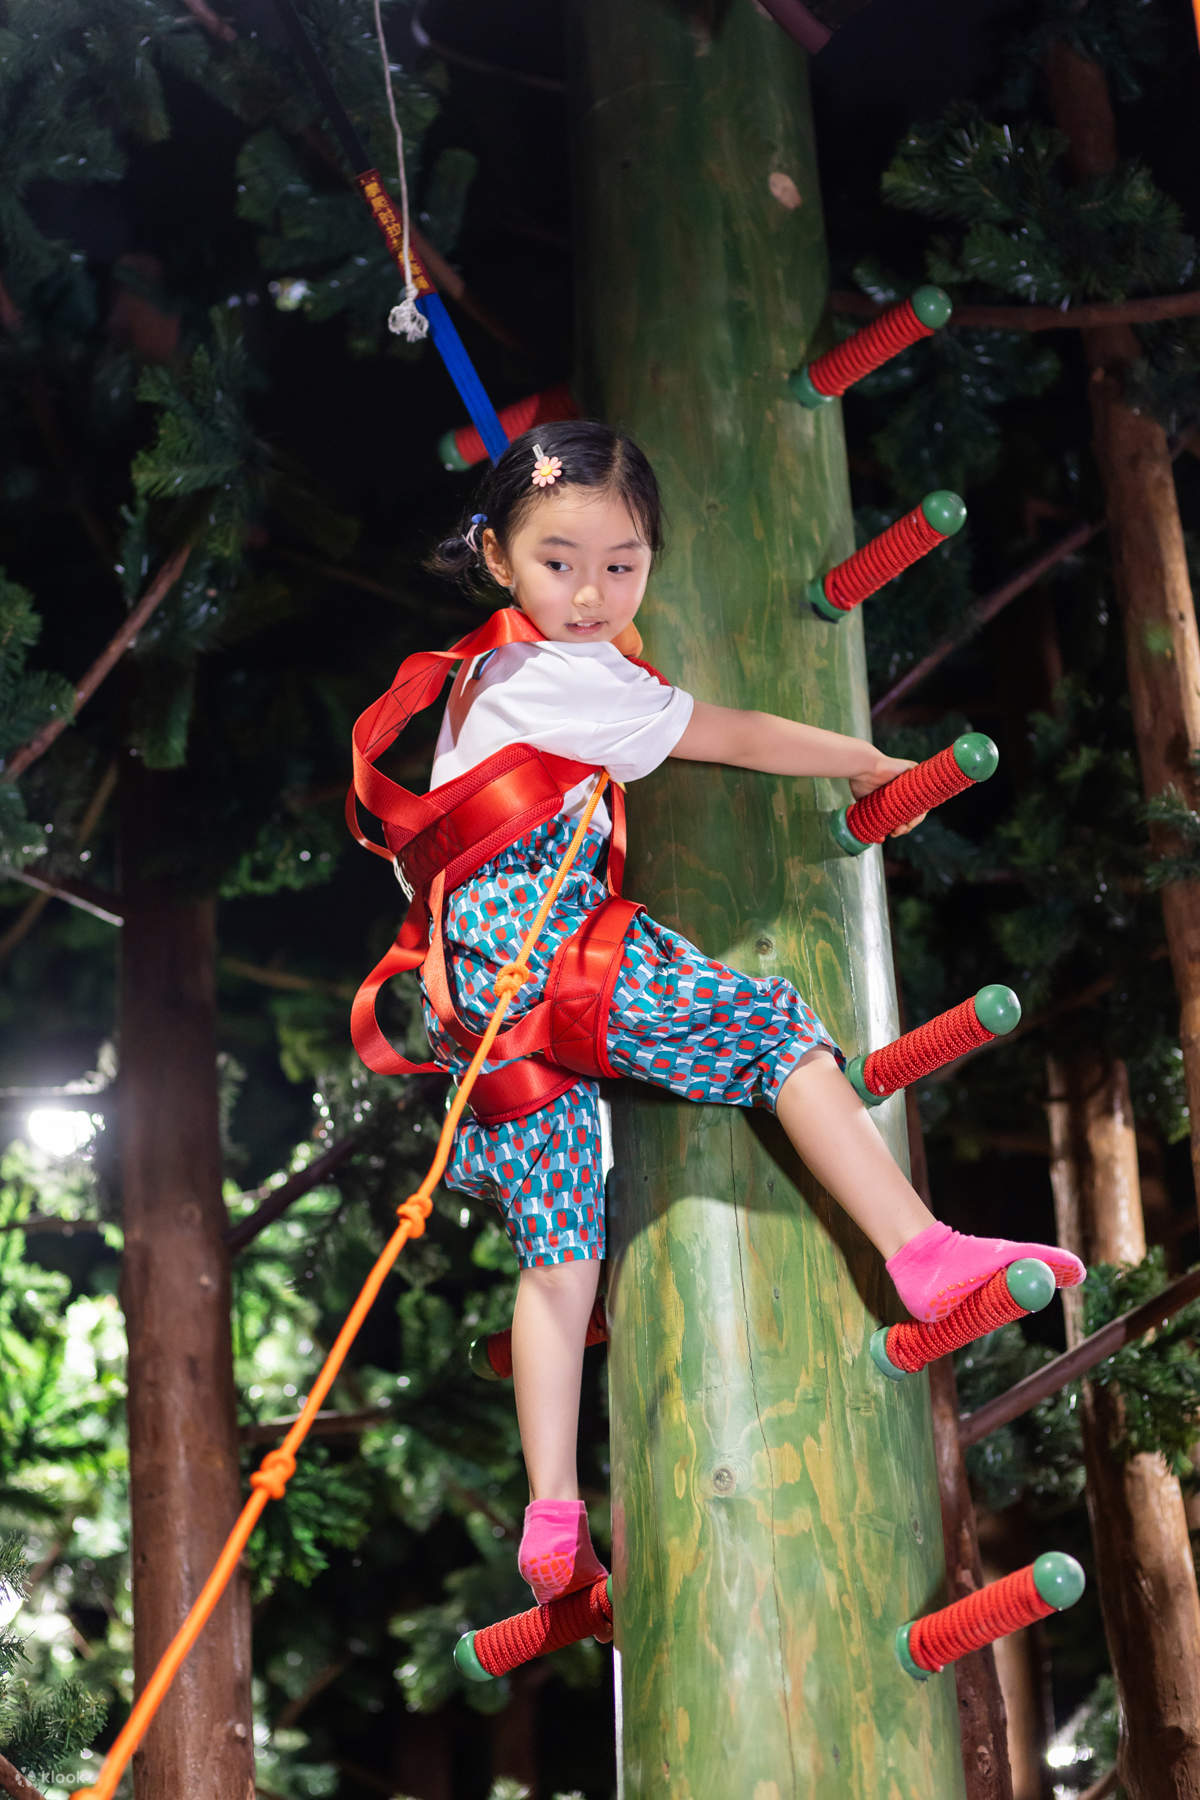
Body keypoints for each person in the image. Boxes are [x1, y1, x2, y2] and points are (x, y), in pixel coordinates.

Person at [418, 420, 1083, 1607]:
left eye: (622, 564)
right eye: (559, 561)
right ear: (498, 559)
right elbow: (725, 735)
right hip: (555, 958)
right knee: (777, 1030)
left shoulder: (482, 675)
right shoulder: (567, 679)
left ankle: (554, 1511)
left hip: (485, 1002)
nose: (592, 590)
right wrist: (860, 757)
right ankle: (924, 1255)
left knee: (562, 1254)